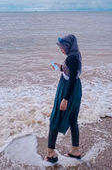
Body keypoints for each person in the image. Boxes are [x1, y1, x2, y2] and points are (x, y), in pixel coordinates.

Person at [44, 34, 82, 164]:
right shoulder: (74, 55)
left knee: (55, 117)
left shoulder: (72, 58)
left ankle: (50, 153)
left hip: (68, 90)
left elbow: (71, 80)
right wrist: (60, 67)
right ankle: (75, 151)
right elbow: (71, 72)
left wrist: (65, 99)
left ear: (68, 46)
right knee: (72, 120)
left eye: (62, 47)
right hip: (75, 89)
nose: (61, 49)